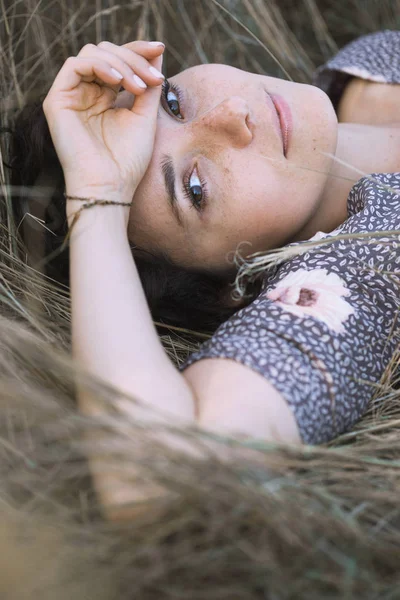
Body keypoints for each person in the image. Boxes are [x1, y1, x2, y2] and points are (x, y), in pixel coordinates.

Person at [8, 30, 400, 520]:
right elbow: (155, 476)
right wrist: (99, 199)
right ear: (233, 289)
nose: (232, 114)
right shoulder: (359, 270)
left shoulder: (364, 69)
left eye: (172, 101)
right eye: (195, 187)